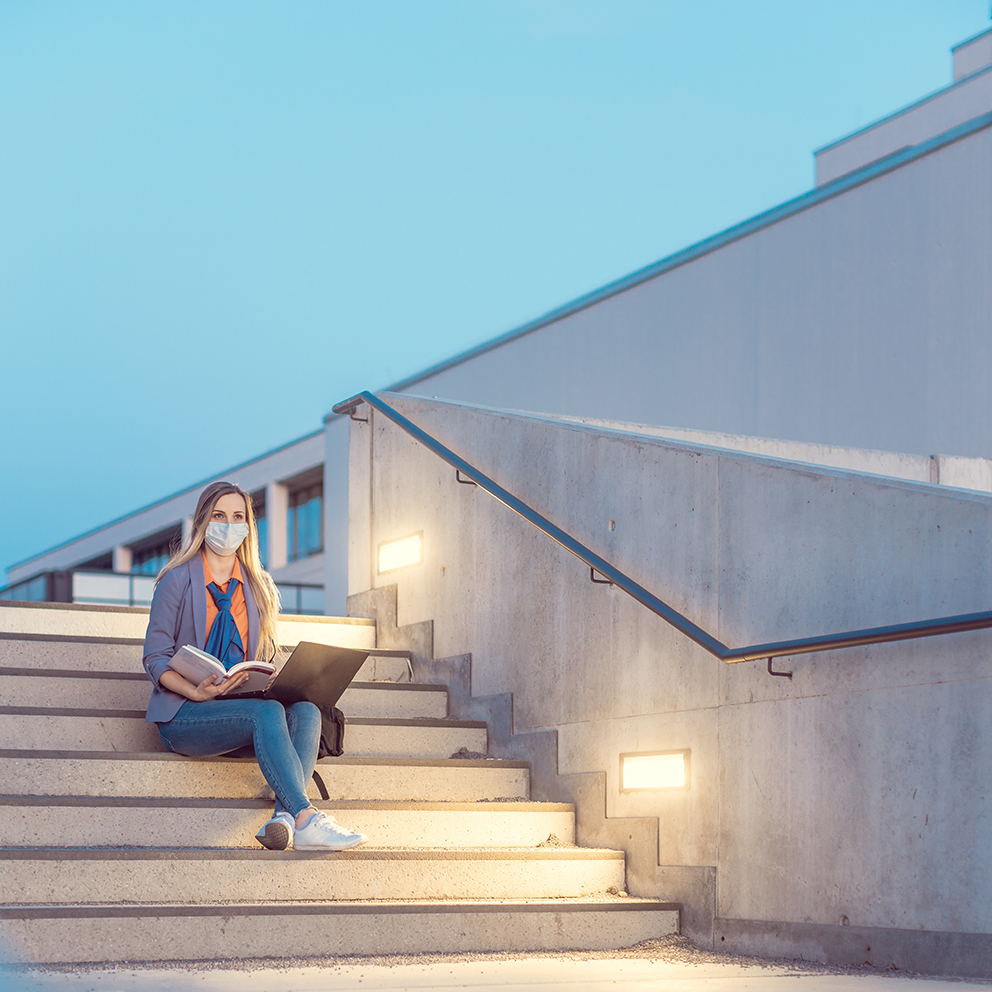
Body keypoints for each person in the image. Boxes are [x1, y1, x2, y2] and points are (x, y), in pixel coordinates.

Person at [142, 480, 368, 852]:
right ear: (202, 522)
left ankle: (284, 819)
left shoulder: (258, 586)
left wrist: (271, 676)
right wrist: (194, 690)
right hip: (185, 716)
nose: (228, 525)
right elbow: (154, 657)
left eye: (238, 517)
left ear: (248, 526)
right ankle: (307, 817)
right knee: (266, 714)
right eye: (219, 516)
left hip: (240, 710)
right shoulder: (176, 580)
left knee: (307, 711)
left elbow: (259, 657)